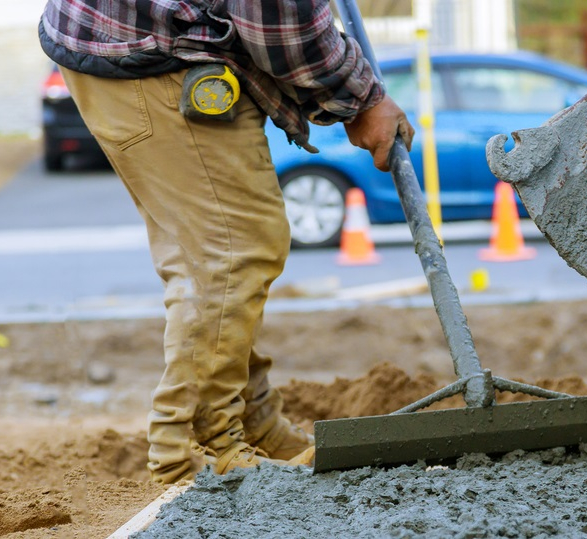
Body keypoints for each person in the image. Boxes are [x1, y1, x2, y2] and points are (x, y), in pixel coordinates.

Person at [39, 0, 414, 484]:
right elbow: (278, 18)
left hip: (130, 37)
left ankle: (249, 423)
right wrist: (360, 98)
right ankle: (199, 449)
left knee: (214, 251)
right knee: (230, 252)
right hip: (151, 55)